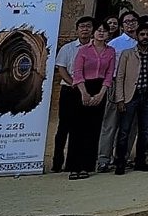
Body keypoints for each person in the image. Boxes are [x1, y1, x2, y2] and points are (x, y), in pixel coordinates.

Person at [111, 22, 148, 174]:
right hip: (130, 96)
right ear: (137, 36)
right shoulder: (127, 54)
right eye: (142, 34)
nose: (145, 37)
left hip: (147, 96)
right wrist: (120, 99)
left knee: (145, 131)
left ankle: (140, 161)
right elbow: (120, 77)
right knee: (124, 131)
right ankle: (120, 162)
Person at [68, 22, 115, 180]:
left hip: (100, 88)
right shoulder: (83, 50)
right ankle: (74, 166)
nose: (101, 33)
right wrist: (84, 93)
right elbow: (77, 72)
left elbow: (109, 74)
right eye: (98, 30)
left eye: (104, 31)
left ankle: (86, 166)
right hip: (82, 88)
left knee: (93, 129)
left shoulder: (110, 51)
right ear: (93, 33)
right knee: (78, 129)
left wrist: (101, 94)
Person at [97, 10, 139, 172]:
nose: (131, 24)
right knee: (111, 123)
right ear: (122, 25)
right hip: (116, 84)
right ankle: (103, 158)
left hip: (136, 86)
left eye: (133, 21)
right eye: (127, 21)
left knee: (131, 125)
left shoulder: (142, 42)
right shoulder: (116, 43)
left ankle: (123, 156)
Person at [52, 16, 94, 172]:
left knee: (80, 128)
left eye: (88, 26)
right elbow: (61, 69)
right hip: (69, 90)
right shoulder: (67, 48)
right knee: (64, 126)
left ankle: (73, 162)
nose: (85, 29)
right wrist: (74, 83)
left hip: (88, 90)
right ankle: (57, 162)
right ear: (77, 30)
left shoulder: (96, 49)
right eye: (82, 26)